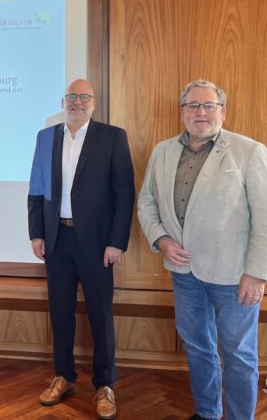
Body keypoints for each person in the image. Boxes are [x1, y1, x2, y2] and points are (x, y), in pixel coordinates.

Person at [137, 79, 267, 420]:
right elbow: (147, 203)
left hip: (234, 277)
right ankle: (208, 413)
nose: (201, 112)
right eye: (193, 106)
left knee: (239, 356)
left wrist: (256, 274)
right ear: (182, 112)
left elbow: (265, 217)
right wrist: (161, 240)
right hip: (184, 275)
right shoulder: (162, 151)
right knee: (198, 349)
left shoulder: (249, 152)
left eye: (209, 105)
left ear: (222, 111)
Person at [28, 79, 135, 420]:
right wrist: (36, 234)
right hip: (56, 240)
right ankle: (64, 376)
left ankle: (104, 385)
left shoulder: (112, 137)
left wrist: (116, 242)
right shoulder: (46, 138)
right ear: (63, 101)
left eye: (84, 96)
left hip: (97, 244)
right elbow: (36, 189)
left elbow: (124, 194)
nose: (77, 101)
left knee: (100, 315)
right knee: (60, 314)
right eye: (72, 96)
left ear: (94, 102)